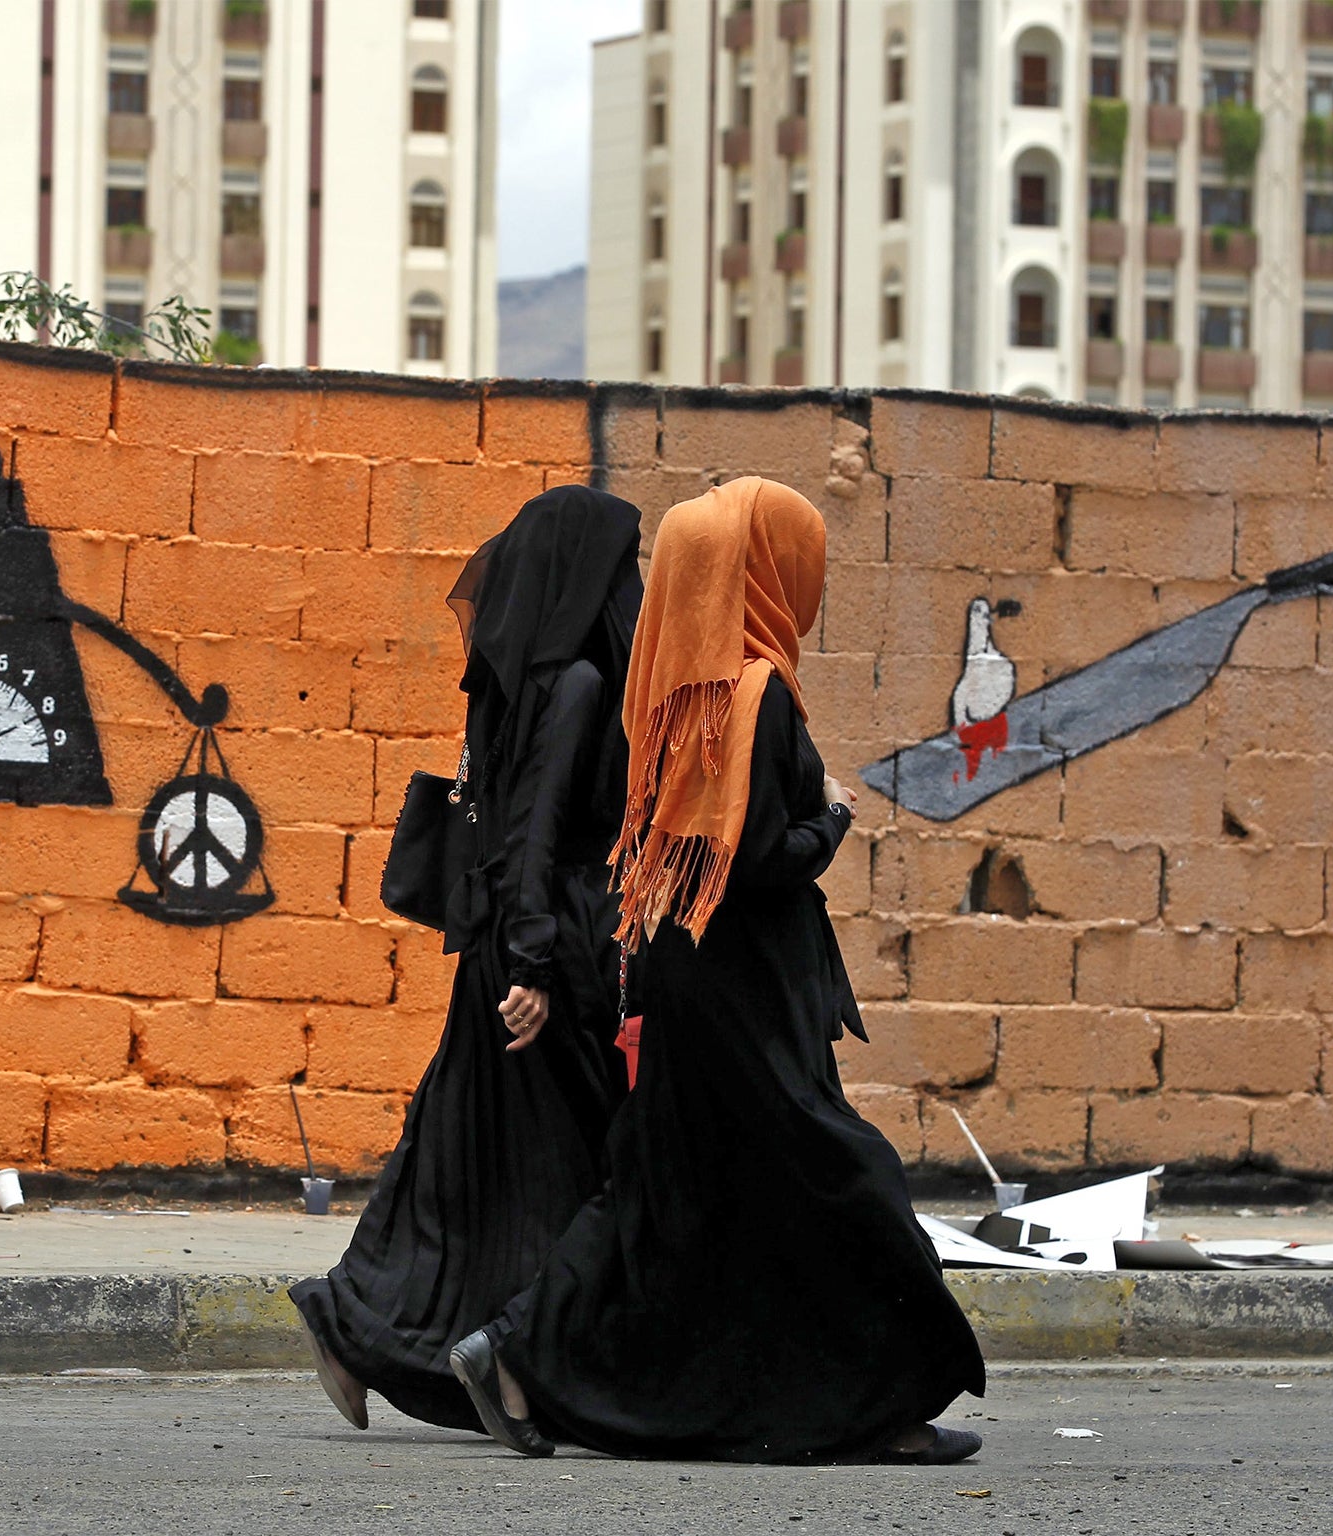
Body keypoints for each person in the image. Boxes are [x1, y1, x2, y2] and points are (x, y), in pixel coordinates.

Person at [449, 477, 987, 1465]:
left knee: (665, 1186)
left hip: (683, 974)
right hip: (743, 986)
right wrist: (831, 819)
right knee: (841, 1176)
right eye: (796, 556)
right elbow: (753, 862)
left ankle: (513, 1349)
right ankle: (880, 1403)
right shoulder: (756, 696)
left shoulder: (672, 701)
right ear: (764, 573)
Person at [290, 484, 644, 1434]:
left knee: (459, 1151)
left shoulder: (512, 676)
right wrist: (534, 965)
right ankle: (521, 1358)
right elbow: (534, 830)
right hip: (543, 944)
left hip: (503, 939)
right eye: (625, 563)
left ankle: (357, 1319)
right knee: (586, 1161)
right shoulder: (575, 683)